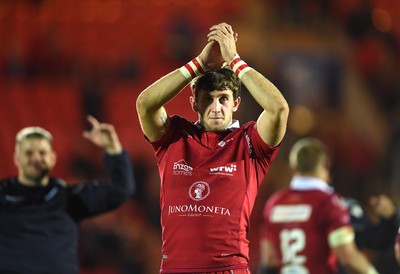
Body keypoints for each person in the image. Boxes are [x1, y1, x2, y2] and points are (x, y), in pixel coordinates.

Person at [136, 22, 289, 273]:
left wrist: (235, 61)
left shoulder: (250, 143)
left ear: (236, 103)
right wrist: (198, 63)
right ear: (194, 103)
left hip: (228, 268)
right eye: (207, 99)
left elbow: (278, 109)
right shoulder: (174, 137)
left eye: (223, 99)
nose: (216, 107)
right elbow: (145, 104)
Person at [0, 115, 135, 274]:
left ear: (52, 158)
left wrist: (113, 148)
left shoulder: (69, 198)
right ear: (17, 158)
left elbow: (120, 190)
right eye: (29, 153)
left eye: (42, 152)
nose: (36, 158)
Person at [259, 137, 379, 274]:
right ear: (326, 165)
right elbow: (348, 257)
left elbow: (269, 259)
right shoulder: (329, 203)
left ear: (293, 167)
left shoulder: (275, 202)